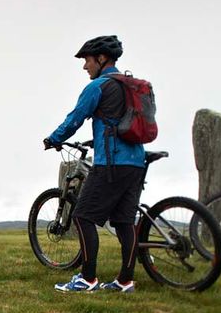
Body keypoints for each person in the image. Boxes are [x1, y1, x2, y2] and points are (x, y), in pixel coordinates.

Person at [43, 35, 146, 293]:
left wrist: (53, 138)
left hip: (111, 163)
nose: (84, 66)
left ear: (101, 59)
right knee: (124, 222)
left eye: (87, 60)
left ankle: (87, 278)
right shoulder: (129, 85)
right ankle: (125, 281)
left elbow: (76, 118)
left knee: (82, 216)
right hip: (136, 162)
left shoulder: (98, 86)